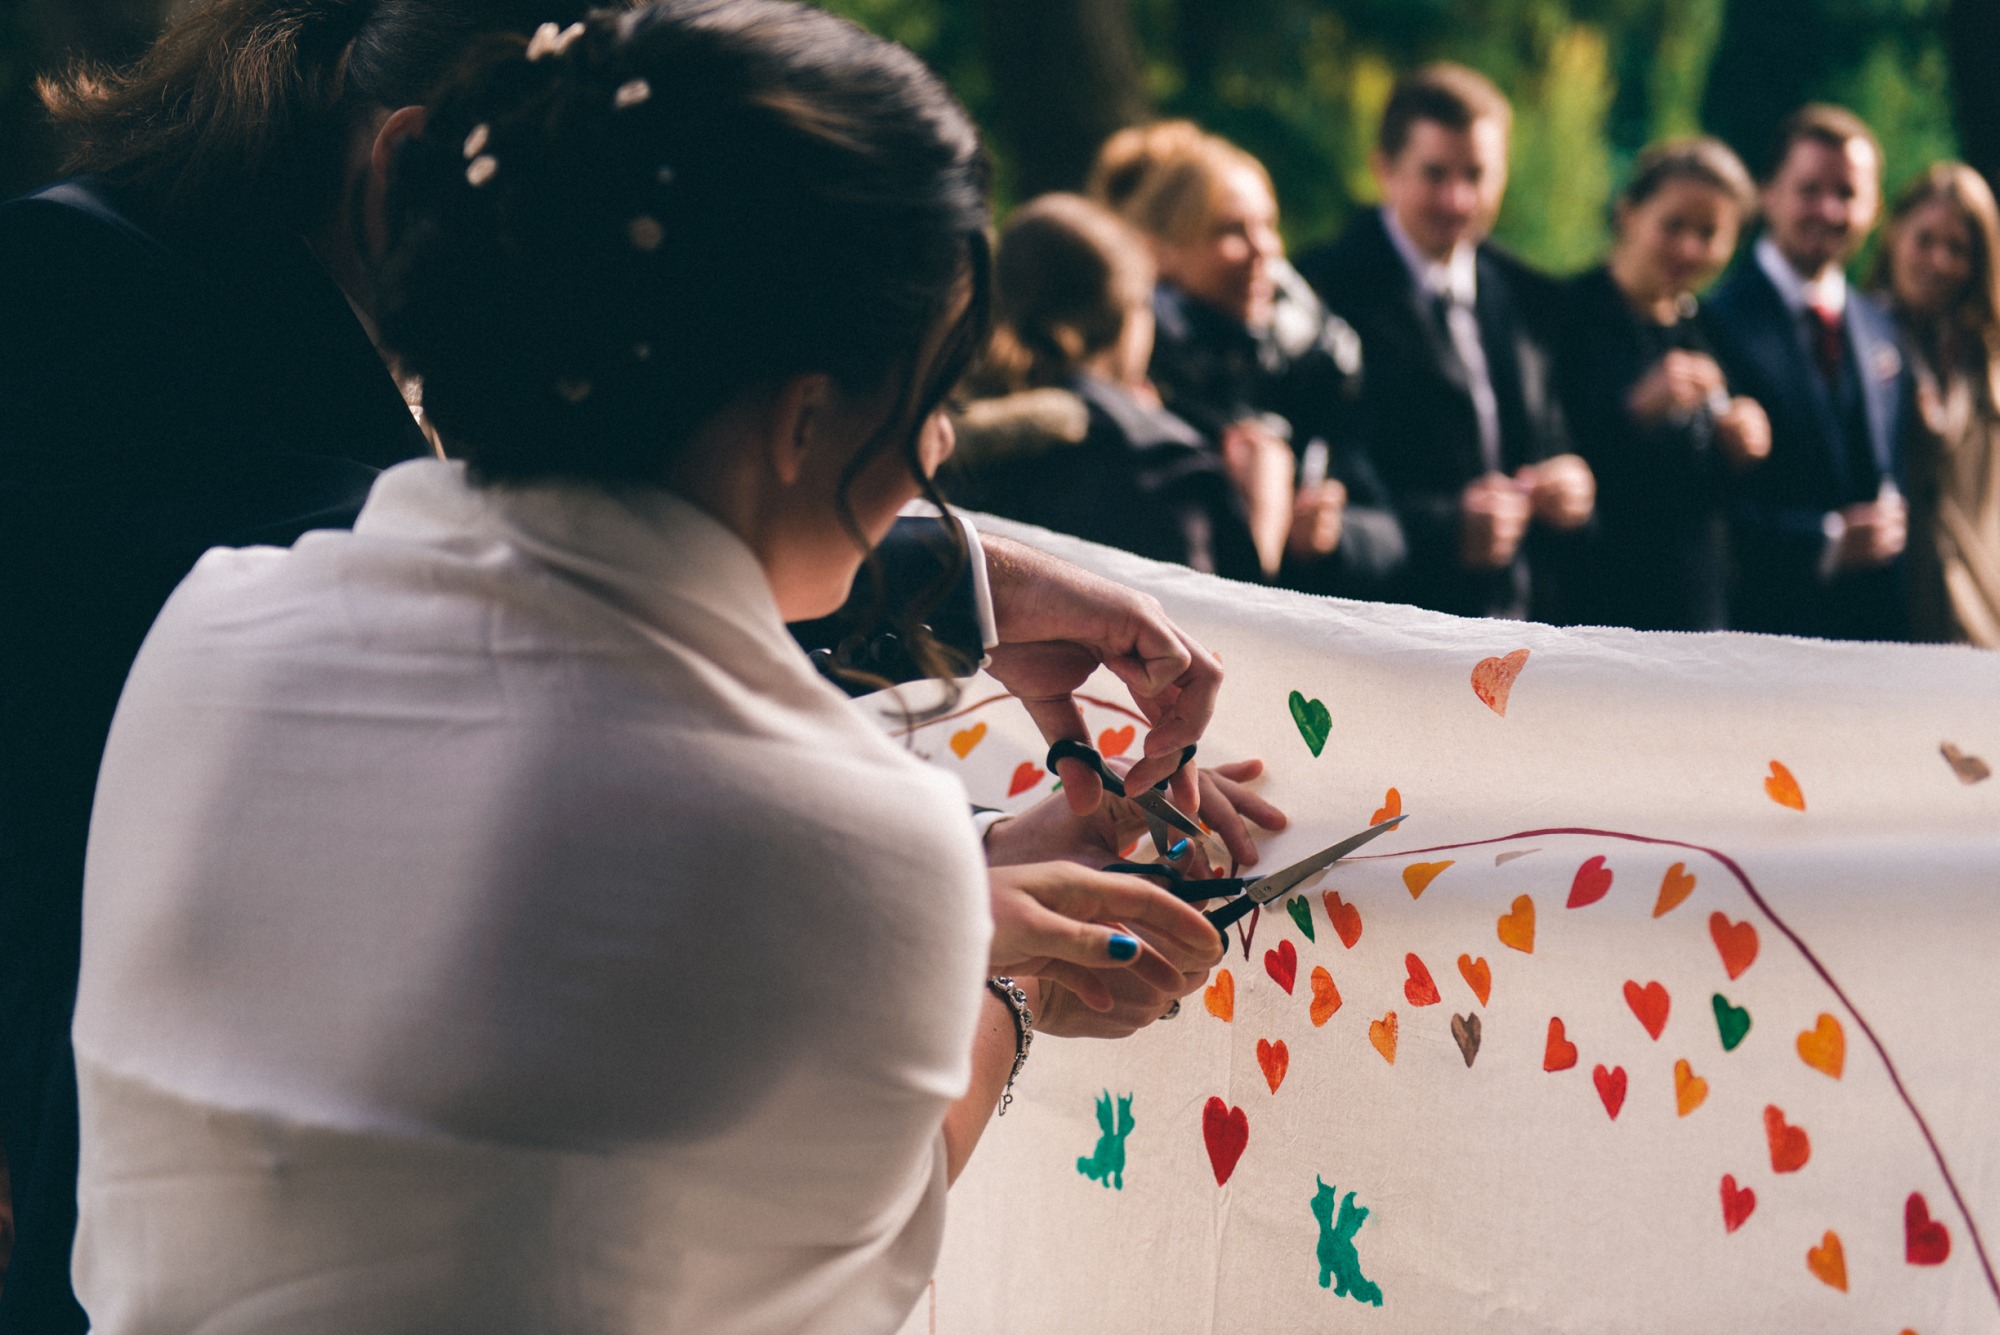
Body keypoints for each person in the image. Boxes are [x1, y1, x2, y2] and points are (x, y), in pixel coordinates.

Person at [0, 1, 1247, 1323]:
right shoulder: (75, 300)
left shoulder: (215, 617)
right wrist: (984, 961)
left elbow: (502, 656)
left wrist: (958, 638)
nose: (942, 445)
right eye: (932, 396)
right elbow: (831, 1257)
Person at [1297, 63, 1595, 623]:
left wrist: (1573, 485)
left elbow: (1554, 434)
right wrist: (1444, 530)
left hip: (1528, 633)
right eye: (1435, 174)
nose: (1458, 200)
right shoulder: (1320, 290)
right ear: (1383, 168)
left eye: (1476, 175)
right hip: (1390, 633)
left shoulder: (1532, 296)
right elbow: (1322, 483)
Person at [1095, 122, 1406, 597]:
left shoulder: (1315, 358)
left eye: (1268, 224)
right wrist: (1251, 517)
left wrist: (1331, 537)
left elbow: (1390, 533)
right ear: (1163, 252)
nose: (1264, 249)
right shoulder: (1133, 380)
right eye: (1230, 230)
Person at [949, 192, 1268, 582]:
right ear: (1128, 314)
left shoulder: (943, 438)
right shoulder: (1162, 464)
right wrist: (1261, 516)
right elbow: (1218, 627)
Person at [1704, 104, 1912, 641]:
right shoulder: (1713, 324)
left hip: (1878, 644)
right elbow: (1707, 510)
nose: (1828, 209)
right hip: (1765, 641)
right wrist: (1827, 541)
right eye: (1809, 189)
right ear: (1766, 193)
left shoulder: (1882, 327)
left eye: (1846, 194)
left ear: (1875, 207)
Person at [1552, 137, 1772, 630]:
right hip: (1601, 611)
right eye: (1673, 226)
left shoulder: (1711, 329)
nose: (1690, 248)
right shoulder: (1565, 315)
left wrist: (1743, 443)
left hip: (1701, 610)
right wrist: (1632, 408)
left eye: (1710, 232)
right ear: (1629, 213)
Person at [1871, 163, 2000, 646]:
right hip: (1900, 624)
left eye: (1958, 249)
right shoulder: (1860, 339)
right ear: (1893, 233)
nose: (1939, 261)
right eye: (1924, 240)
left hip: (1987, 613)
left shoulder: (1985, 359)